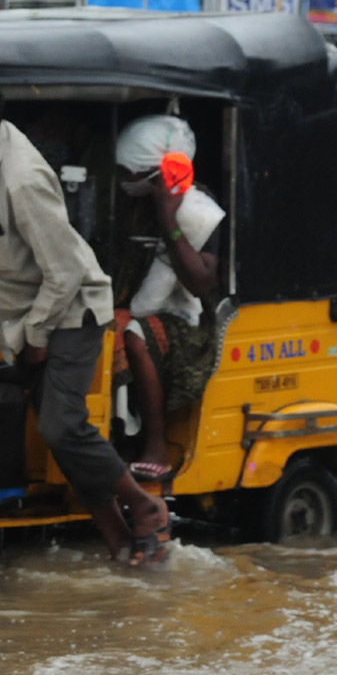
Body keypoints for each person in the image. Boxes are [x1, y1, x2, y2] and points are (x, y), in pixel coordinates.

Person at [0, 67, 170, 564]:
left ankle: (145, 506)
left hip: (69, 314)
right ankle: (120, 545)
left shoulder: (23, 180)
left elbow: (63, 272)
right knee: (60, 440)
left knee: (63, 428)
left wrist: (37, 334)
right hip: (24, 322)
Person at [112, 114, 225, 483]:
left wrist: (169, 220)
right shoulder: (135, 204)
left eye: (129, 172)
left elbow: (199, 282)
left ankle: (155, 444)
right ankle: (118, 438)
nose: (123, 180)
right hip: (137, 304)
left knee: (135, 335)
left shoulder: (198, 209)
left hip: (190, 320)